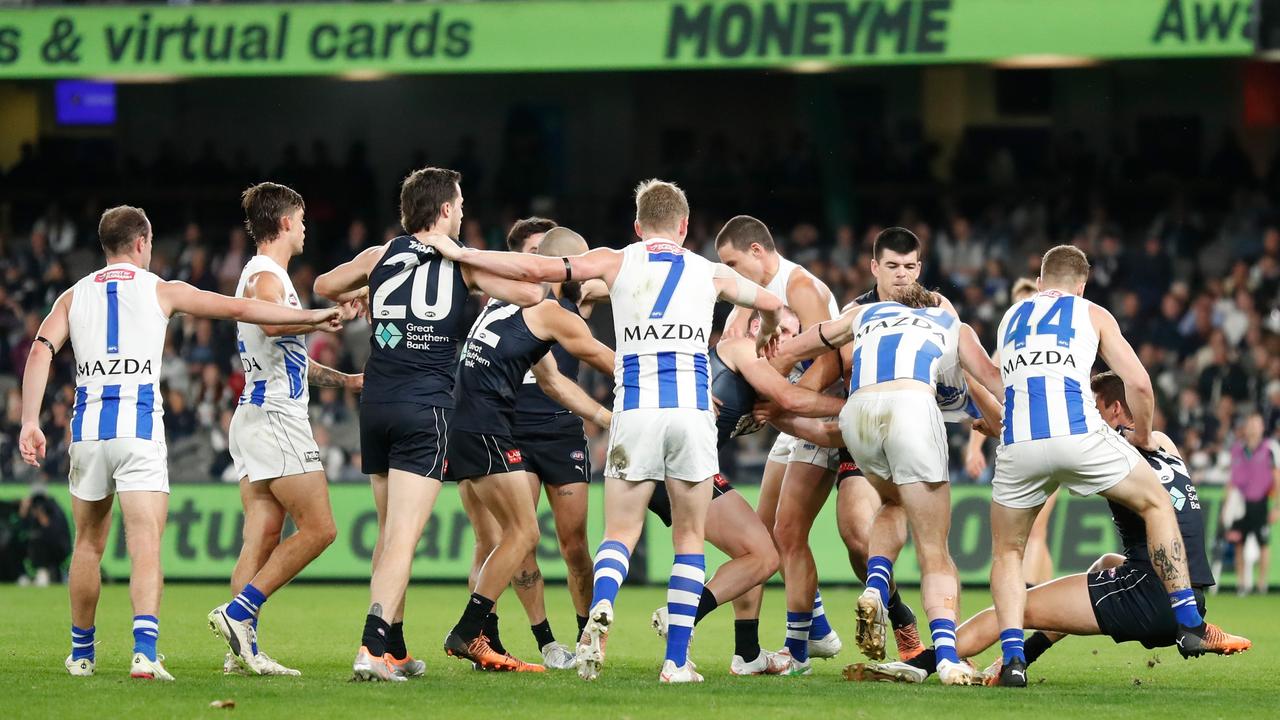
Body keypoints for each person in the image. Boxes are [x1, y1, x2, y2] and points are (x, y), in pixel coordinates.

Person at [418, 179, 784, 683]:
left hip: (634, 409)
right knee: (690, 538)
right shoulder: (712, 271)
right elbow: (770, 301)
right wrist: (765, 330)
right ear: (684, 225)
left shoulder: (616, 260)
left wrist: (458, 251)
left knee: (618, 533)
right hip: (692, 409)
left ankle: (599, 615)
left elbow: (538, 269)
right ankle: (676, 662)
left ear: (637, 227)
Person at [19, 205, 339, 680]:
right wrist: (316, 316)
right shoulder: (160, 289)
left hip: (87, 430)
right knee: (145, 544)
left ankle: (82, 655)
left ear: (105, 246)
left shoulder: (71, 296)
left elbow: (40, 350)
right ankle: (144, 655)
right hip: (139, 430)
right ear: (143, 243)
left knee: (87, 545)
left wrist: (30, 420)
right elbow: (238, 308)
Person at [848, 371, 1251, 685]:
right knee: (1105, 563)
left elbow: (1052, 453)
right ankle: (1026, 655)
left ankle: (921, 663)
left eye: (1091, 408)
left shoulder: (1105, 451)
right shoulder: (1164, 444)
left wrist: (998, 424)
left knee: (1011, 607)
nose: (1081, 418)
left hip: (1147, 597)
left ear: (1112, 411)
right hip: (1188, 600)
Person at [312, 167, 543, 681]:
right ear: (443, 211)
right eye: (458, 205)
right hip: (425, 409)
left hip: (375, 406)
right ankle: (370, 650)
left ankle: (393, 647)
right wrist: (466, 256)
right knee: (402, 538)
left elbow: (324, 284)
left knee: (387, 533)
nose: (462, 212)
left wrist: (364, 293)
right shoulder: (462, 266)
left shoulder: (380, 255)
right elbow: (531, 292)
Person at [987, 244, 1245, 688]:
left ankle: (1012, 660)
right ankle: (1189, 623)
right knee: (1156, 504)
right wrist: (1143, 434)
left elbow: (994, 382)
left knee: (1008, 552)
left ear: (1041, 279)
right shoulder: (1091, 312)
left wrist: (993, 424)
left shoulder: (1011, 317)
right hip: (1080, 434)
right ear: (1081, 284)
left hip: (1020, 443)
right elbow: (1139, 383)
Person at [773, 282, 1004, 685]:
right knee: (935, 551)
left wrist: (767, 384)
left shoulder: (865, 315)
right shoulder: (949, 321)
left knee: (892, 503)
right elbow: (991, 380)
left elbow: (808, 344)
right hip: (912, 407)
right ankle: (948, 658)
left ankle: (877, 585)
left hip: (857, 413)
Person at [441, 225, 615, 672]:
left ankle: (481, 636)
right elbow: (600, 355)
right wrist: (665, 379)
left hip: (471, 423)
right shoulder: (549, 309)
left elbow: (554, 380)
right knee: (521, 536)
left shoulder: (509, 302)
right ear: (566, 268)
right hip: (490, 427)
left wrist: (603, 418)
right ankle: (470, 631)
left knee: (521, 537)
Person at [208, 182, 364, 677]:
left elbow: (289, 357)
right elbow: (274, 324)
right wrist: (321, 316)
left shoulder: (272, 278)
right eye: (299, 218)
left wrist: (346, 380)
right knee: (321, 529)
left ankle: (241, 652)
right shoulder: (264, 274)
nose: (304, 226)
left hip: (256, 413)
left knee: (261, 536)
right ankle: (238, 613)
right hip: (275, 417)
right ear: (281, 224)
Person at [648, 307, 847, 675]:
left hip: (686, 468)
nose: (789, 341)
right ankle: (684, 620)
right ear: (758, 328)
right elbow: (790, 399)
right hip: (666, 463)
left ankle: (747, 653)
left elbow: (810, 425)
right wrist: (858, 407)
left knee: (759, 555)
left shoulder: (764, 392)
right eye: (783, 330)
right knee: (761, 554)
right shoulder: (741, 349)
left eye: (794, 334)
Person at [713, 215, 847, 670]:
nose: (730, 272)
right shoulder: (750, 299)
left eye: (732, 261)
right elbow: (732, 345)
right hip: (788, 418)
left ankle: (800, 650)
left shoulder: (800, 287)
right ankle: (821, 627)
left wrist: (795, 401)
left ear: (756, 251)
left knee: (788, 533)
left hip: (818, 414)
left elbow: (833, 359)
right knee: (766, 535)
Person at [504, 217, 609, 658]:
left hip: (563, 432)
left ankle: (588, 639)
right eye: (531, 252)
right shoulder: (506, 294)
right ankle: (545, 641)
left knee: (574, 546)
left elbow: (608, 280)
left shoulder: (574, 294)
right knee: (521, 539)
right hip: (514, 431)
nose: (538, 261)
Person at [966, 277, 1059, 586]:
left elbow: (984, 393)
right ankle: (1042, 603)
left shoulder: (1013, 349)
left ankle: (1029, 599)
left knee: (1030, 532)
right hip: (1036, 441)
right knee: (1035, 532)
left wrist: (974, 447)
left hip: (1033, 441)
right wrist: (973, 447)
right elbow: (988, 400)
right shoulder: (1046, 347)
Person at [1227, 413, 1278, 595]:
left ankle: (1262, 584)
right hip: (1240, 503)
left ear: (1262, 427)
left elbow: (1276, 477)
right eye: (1250, 424)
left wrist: (1277, 506)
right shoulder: (1237, 450)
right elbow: (1231, 479)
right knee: (1238, 542)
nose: (1253, 428)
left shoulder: (1269, 449)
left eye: (1257, 424)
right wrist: (1227, 506)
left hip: (1260, 502)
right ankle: (1242, 584)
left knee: (1263, 543)